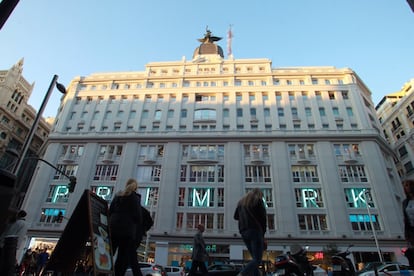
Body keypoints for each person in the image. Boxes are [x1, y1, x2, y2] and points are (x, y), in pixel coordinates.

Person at [109, 178, 143, 276]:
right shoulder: (135, 198)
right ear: (135, 187)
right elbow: (138, 216)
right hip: (127, 232)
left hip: (113, 228)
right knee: (122, 257)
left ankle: (100, 272)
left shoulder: (117, 196)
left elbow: (110, 211)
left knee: (108, 253)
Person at [234, 188, 267, 276]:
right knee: (257, 260)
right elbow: (263, 219)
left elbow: (236, 216)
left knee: (254, 259)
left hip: (244, 232)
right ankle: (242, 274)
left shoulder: (242, 202)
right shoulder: (258, 201)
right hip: (255, 231)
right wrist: (263, 235)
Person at [0, 209, 28, 276]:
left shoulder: (12, 222)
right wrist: (17, 246)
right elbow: (20, 236)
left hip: (4, 243)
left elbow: (5, 233)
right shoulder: (23, 224)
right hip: (12, 244)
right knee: (8, 264)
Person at [403, 179, 414, 268]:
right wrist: (407, 235)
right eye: (406, 185)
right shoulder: (405, 202)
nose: (407, 187)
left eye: (409, 185)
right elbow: (405, 219)